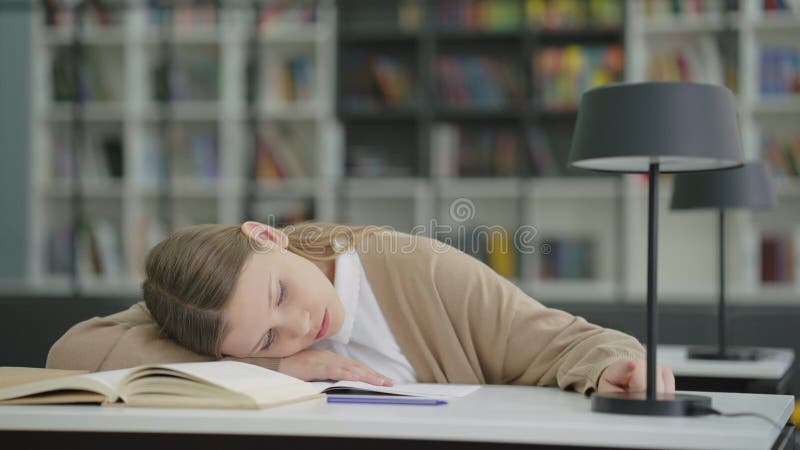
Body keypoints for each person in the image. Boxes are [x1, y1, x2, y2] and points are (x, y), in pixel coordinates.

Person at [47, 221, 675, 396]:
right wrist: (271, 370)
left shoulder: (418, 268)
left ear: (267, 235)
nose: (296, 327)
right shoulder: (207, 314)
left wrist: (615, 367)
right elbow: (69, 353)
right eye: (266, 339)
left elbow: (567, 342)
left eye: (281, 295)